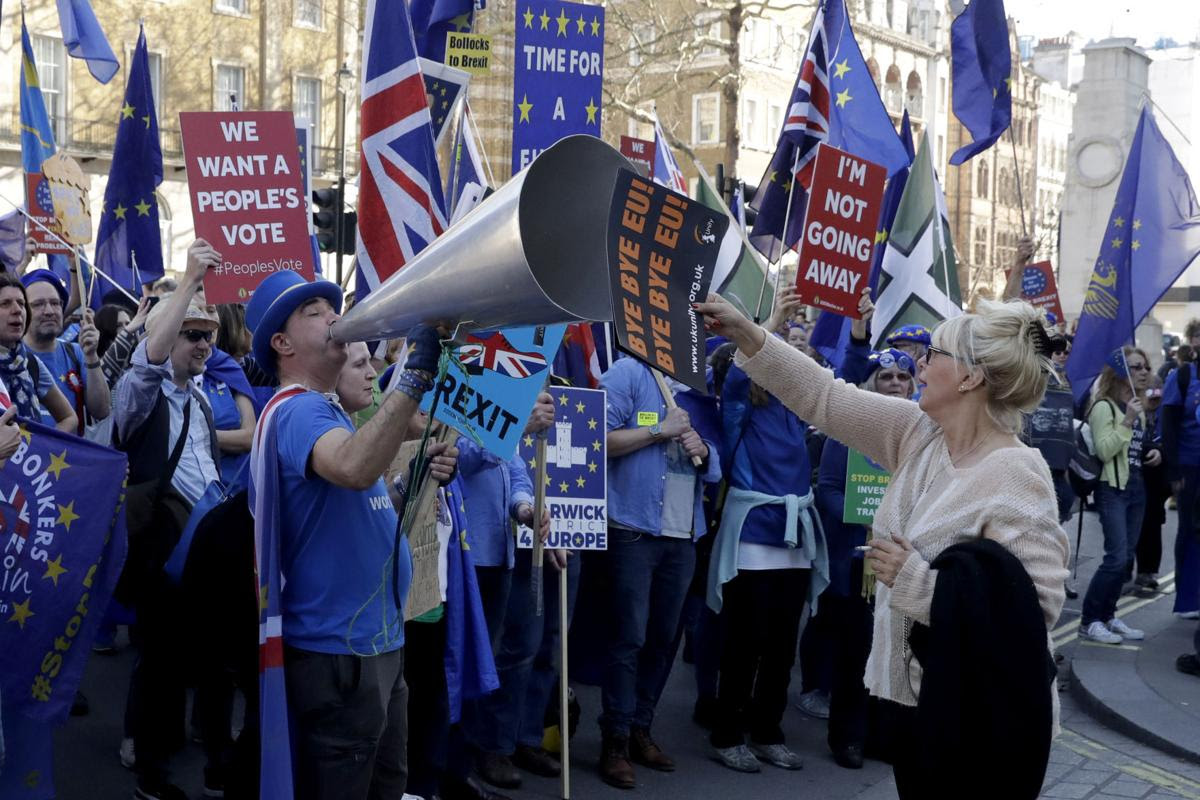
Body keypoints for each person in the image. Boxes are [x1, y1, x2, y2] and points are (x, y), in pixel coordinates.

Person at [696, 293, 1070, 798]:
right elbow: (822, 397)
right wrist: (745, 331)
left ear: (971, 377)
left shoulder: (1017, 473)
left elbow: (1036, 610)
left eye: (934, 354)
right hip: (915, 702)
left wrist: (916, 581)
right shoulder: (919, 432)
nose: (920, 363)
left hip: (980, 715)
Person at [245, 268, 456, 800]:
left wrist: (410, 482)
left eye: (331, 306)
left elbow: (366, 501)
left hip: (373, 647)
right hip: (342, 657)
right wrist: (416, 372)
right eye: (313, 312)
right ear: (282, 343)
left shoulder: (329, 411)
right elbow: (355, 469)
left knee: (385, 785)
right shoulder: (298, 410)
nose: (333, 317)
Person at [112, 241, 225, 800]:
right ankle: (150, 771)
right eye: (191, 333)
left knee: (193, 660)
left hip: (202, 550)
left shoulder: (203, 401)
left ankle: (182, 751)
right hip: (159, 551)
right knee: (157, 664)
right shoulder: (138, 396)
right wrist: (187, 282)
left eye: (209, 334)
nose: (204, 342)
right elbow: (147, 362)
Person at [705, 313, 828, 773]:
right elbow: (739, 370)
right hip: (754, 536)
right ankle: (727, 733)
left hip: (794, 536)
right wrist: (769, 323)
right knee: (745, 642)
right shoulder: (740, 404)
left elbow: (839, 380)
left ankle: (766, 732)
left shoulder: (795, 409)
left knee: (781, 646)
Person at [596, 358, 721, 790]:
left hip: (683, 534)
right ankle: (613, 739)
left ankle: (639, 730)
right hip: (634, 530)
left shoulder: (694, 383)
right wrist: (658, 431)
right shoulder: (627, 374)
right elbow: (597, 439)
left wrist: (704, 451)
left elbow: (714, 457)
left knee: (663, 640)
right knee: (628, 638)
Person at [816, 348, 916, 770]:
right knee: (855, 653)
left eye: (902, 377)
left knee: (896, 653)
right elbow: (827, 488)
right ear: (873, 381)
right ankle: (847, 737)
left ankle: (882, 735)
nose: (894, 383)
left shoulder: (923, 435)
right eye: (886, 376)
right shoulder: (850, 431)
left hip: (903, 562)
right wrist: (867, 517)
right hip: (857, 561)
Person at [1079, 348, 1159, 644]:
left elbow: (1136, 449)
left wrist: (1153, 451)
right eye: (1136, 367)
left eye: (1145, 366)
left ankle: (1109, 616)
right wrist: (1127, 420)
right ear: (1120, 372)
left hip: (1136, 486)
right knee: (1115, 559)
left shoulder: (1138, 408)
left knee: (1125, 559)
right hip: (1111, 488)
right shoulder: (1104, 407)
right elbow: (1104, 450)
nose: (1142, 371)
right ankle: (1090, 621)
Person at [22, 269, 111, 436]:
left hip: (69, 460)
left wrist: (92, 357)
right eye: (38, 304)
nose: (49, 311)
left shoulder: (78, 352)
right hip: (25, 459)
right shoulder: (10, 357)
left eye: (55, 303)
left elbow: (101, 411)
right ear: (22, 310)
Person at [0, 272, 77, 431]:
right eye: (5, 303)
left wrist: (44, 449)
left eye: (21, 303)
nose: (17, 310)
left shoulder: (29, 363)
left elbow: (69, 417)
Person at [1162, 318, 1200, 621]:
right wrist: (1173, 473)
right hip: (1190, 465)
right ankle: (1188, 597)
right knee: (1189, 529)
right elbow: (1169, 426)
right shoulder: (1183, 376)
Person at [1134, 376, 1170, 597]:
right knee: (1134, 528)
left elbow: (1171, 441)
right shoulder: (1134, 411)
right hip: (1135, 477)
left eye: (1158, 391)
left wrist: (1161, 451)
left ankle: (1149, 572)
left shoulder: (1165, 415)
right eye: (1150, 391)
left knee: (1153, 528)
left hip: (1156, 483)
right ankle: (1127, 571)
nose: (1154, 395)